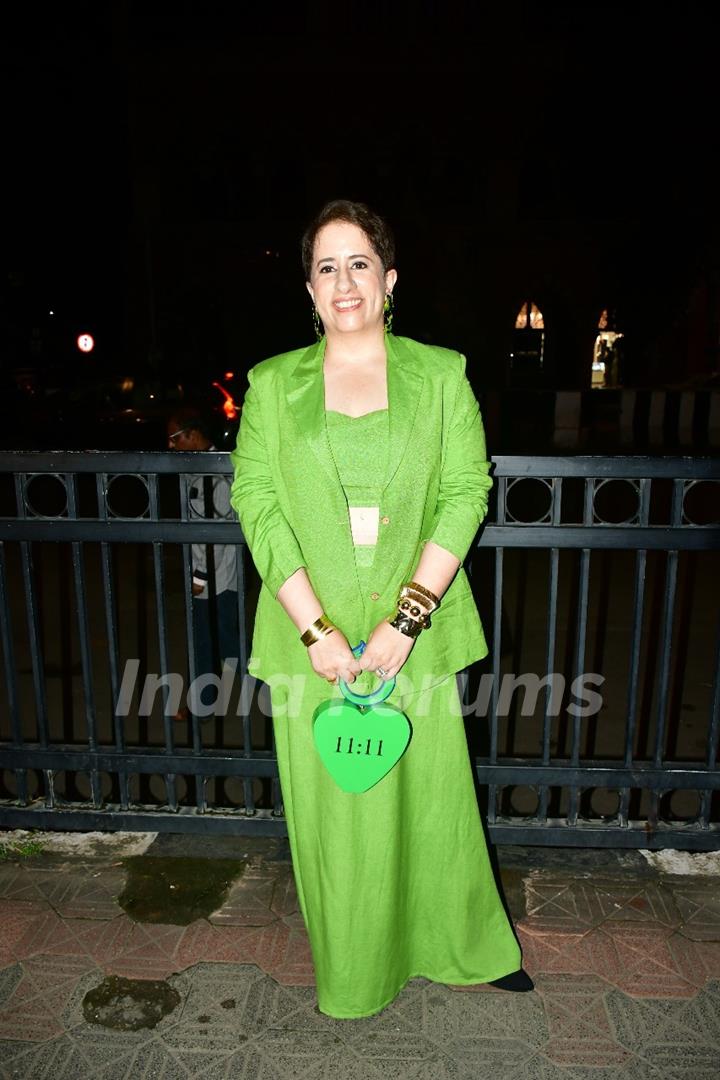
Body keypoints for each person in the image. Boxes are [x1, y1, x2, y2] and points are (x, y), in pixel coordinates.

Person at [229, 199, 531, 1019]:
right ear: (309, 290)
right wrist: (318, 630)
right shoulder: (268, 384)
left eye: (358, 262)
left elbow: (468, 491)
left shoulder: (441, 375)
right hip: (308, 636)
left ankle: (463, 946)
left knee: (432, 792)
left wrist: (407, 618)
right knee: (340, 807)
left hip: (416, 629)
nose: (343, 280)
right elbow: (256, 502)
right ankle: (357, 969)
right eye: (326, 267)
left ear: (389, 280)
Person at [167, 408, 239, 711]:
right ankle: (205, 701)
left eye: (174, 438)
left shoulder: (213, 473)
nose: (170, 446)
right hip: (220, 576)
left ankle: (204, 704)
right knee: (223, 642)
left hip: (215, 579)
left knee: (217, 644)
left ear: (193, 435)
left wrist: (199, 578)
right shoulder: (204, 466)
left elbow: (212, 535)